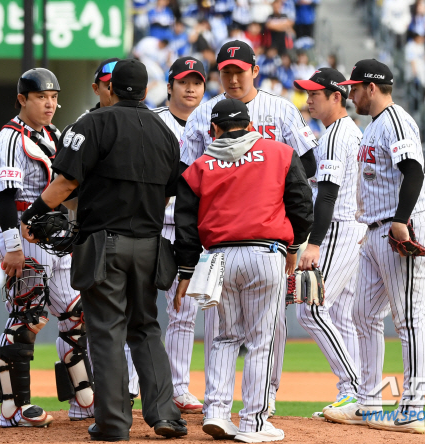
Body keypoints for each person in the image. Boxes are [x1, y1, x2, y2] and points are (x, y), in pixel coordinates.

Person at [21, 59, 186, 441]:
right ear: (145, 91)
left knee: (108, 331)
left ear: (109, 88)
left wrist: (33, 214)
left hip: (104, 245)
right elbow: (167, 193)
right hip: (149, 243)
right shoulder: (164, 132)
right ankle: (165, 415)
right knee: (145, 328)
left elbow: (64, 183)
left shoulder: (92, 124)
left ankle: (113, 423)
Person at [180, 39, 319, 416]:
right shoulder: (202, 114)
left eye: (239, 71)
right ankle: (234, 410)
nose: (233, 77)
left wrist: (262, 185)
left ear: (254, 71)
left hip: (262, 229)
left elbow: (308, 166)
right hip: (232, 239)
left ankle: (260, 400)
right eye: (226, 72)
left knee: (260, 329)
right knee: (229, 331)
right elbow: (187, 175)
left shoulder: (280, 109)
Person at [323, 59, 425, 434]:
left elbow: (415, 171)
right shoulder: (373, 127)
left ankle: (413, 408)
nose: (350, 93)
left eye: (354, 88)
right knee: (362, 315)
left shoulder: (397, 120)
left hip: (398, 226)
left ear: (371, 88)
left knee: (407, 319)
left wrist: (402, 221)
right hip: (374, 230)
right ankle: (369, 402)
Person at [0, 68, 94, 427]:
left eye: (53, 96)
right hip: (24, 235)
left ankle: (83, 399)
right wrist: (12, 246)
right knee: (26, 315)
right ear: (22, 99)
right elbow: (4, 197)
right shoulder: (9, 139)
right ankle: (13, 407)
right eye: (40, 97)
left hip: (54, 236)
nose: (49, 103)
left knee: (76, 314)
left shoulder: (54, 134)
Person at [293, 69, 365, 419]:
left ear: (336, 96)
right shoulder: (343, 133)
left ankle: (356, 390)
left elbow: (328, 195)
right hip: (352, 227)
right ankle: (355, 395)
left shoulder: (337, 135)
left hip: (337, 228)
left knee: (310, 308)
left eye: (315, 94)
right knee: (341, 315)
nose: (308, 100)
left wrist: (314, 243)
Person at [141, 56, 207, 413]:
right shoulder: (154, 123)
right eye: (184, 81)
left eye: (197, 81)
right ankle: (133, 385)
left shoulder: (212, 124)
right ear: (169, 87)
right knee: (139, 307)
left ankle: (179, 387)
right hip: (153, 226)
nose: (191, 87)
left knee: (184, 313)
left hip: (190, 232)